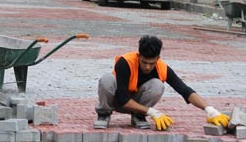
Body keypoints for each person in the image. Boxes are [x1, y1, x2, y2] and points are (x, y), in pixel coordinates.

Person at [94, 35, 230, 130]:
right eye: (144, 62)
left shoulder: (162, 68)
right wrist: (153, 112)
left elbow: (185, 91)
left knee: (157, 85)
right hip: (116, 101)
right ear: (138, 55)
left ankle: (139, 117)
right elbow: (122, 98)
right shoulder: (126, 62)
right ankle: (104, 114)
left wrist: (210, 110)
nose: (147, 67)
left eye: (151, 63)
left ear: (158, 58)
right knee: (107, 79)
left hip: (137, 105)